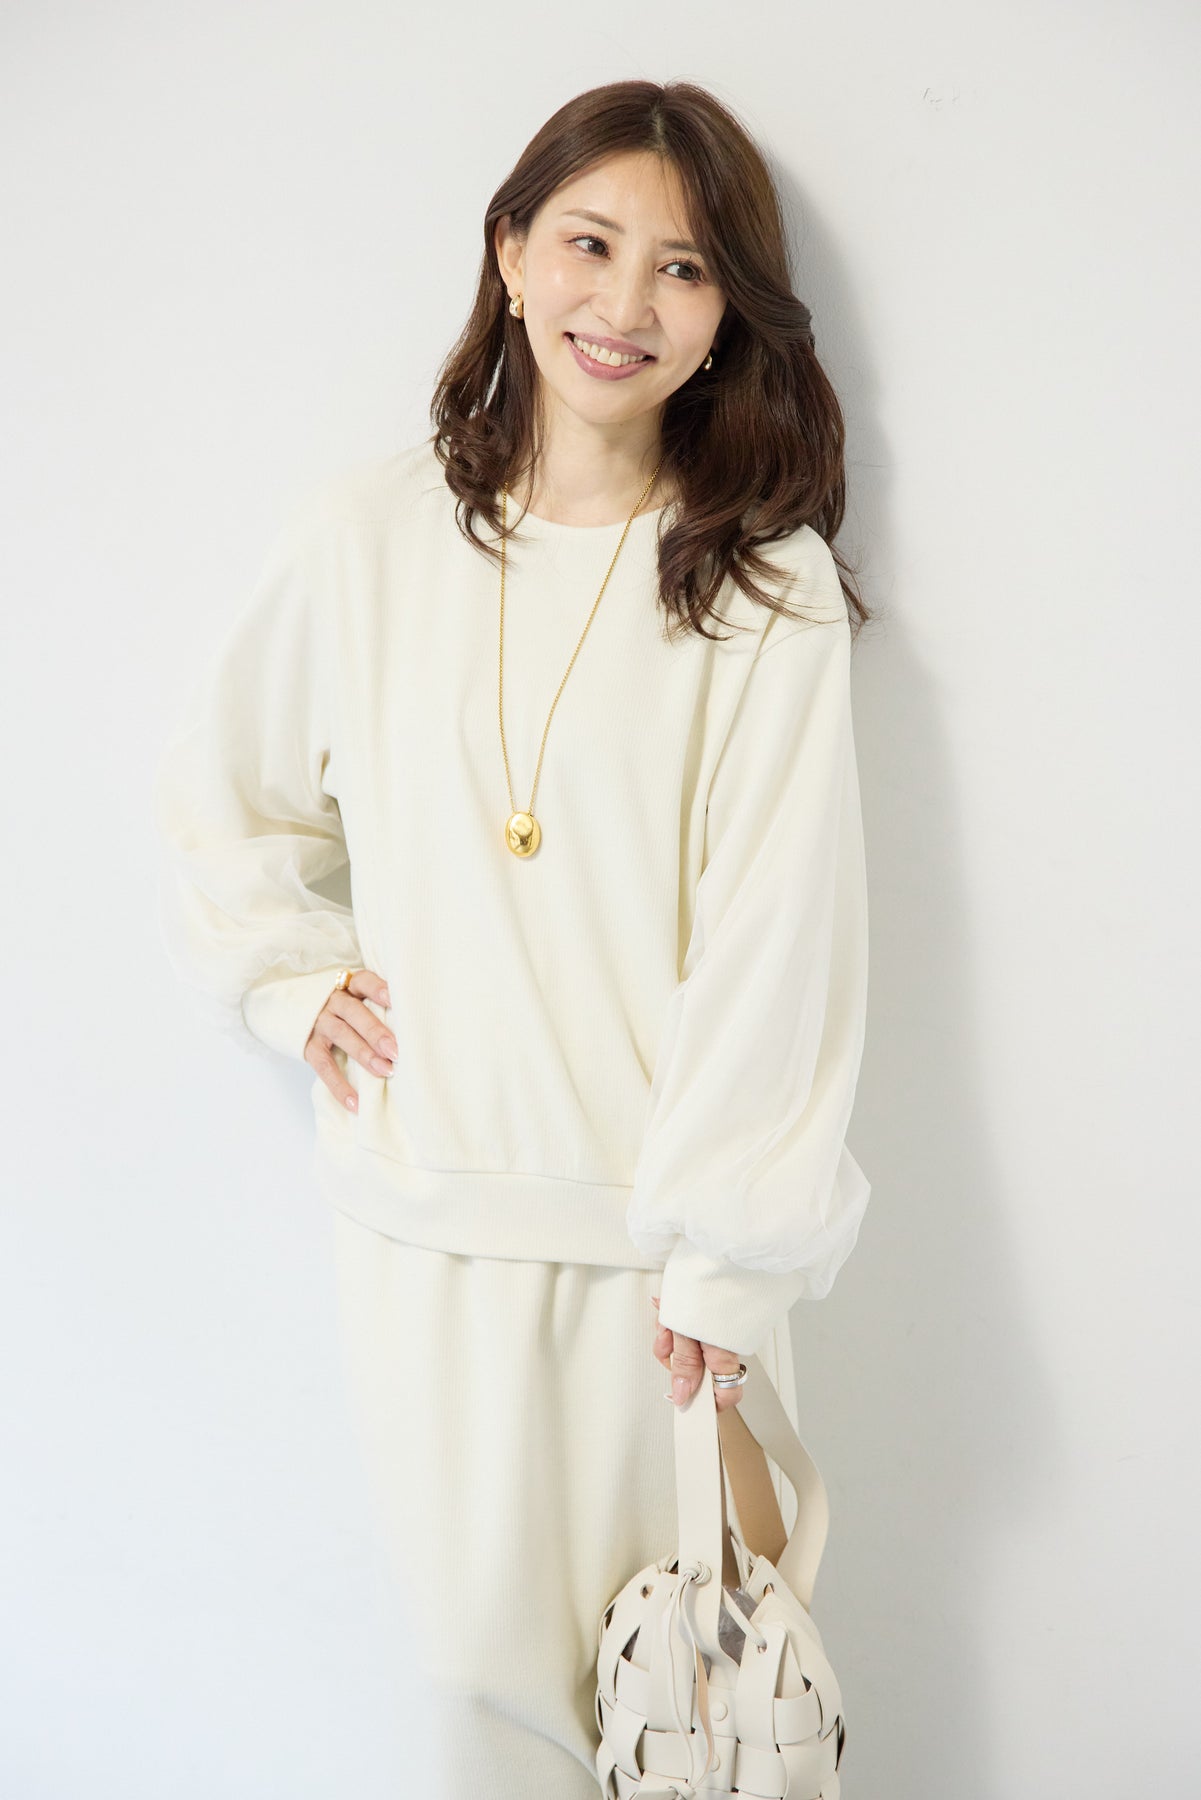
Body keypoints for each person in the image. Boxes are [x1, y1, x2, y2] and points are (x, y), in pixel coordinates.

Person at [153, 76, 873, 1800]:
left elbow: (780, 941)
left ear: (728, 313)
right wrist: (287, 977)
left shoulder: (759, 586)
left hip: (661, 1266)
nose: (623, 304)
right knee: (475, 1709)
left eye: (681, 268)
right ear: (509, 251)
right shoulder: (366, 539)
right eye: (588, 244)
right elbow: (225, 795)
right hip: (424, 1230)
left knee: (688, 1716)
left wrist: (725, 1261)